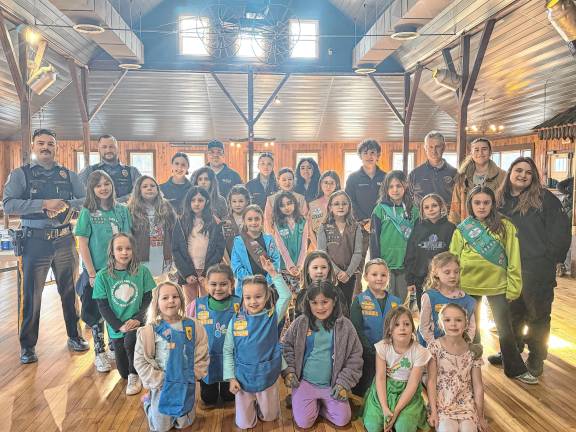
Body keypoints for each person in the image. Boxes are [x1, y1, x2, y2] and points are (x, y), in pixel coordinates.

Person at [3, 128, 89, 364]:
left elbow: (86, 200)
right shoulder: (20, 175)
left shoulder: (69, 175)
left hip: (64, 240)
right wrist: (43, 204)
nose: (45, 147)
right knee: (32, 296)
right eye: (40, 143)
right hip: (34, 242)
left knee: (70, 293)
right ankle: (28, 346)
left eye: (50, 144)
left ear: (56, 147)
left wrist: (63, 204)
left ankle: (75, 336)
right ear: (33, 147)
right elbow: (9, 204)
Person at [449, 186, 538, 384]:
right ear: (470, 205)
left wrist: (514, 286)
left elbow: (513, 258)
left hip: (498, 286)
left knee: (505, 329)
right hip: (468, 286)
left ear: (493, 204)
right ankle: (470, 366)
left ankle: (514, 368)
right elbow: (453, 258)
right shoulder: (462, 229)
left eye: (486, 202)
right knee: (471, 329)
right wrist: (453, 285)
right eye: (477, 202)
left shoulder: (506, 226)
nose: (481, 206)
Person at [496, 157, 570, 377]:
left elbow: (560, 232)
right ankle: (512, 352)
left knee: (537, 314)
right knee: (511, 313)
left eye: (528, 172)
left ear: (534, 177)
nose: (522, 175)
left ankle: (537, 356)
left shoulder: (545, 199)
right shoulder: (500, 199)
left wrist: (551, 259)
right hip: (507, 266)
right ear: (510, 173)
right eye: (518, 170)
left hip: (536, 266)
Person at [282, 281, 363, 429]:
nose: (320, 307)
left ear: (334, 301)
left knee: (343, 419)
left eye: (325, 302)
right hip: (304, 382)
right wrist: (290, 371)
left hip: (332, 385)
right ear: (309, 303)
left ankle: (318, 405)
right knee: (304, 423)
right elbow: (287, 347)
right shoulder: (300, 323)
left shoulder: (346, 326)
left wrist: (343, 383)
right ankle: (303, 400)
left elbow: (355, 357)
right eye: (315, 302)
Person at [223, 259, 291, 429]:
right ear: (242, 297)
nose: (253, 301)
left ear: (267, 296)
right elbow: (228, 350)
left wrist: (273, 273)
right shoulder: (235, 321)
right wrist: (231, 378)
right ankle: (249, 406)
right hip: (243, 378)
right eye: (248, 297)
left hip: (267, 376)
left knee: (270, 417)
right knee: (244, 424)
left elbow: (286, 296)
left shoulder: (272, 317)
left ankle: (264, 407)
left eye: (258, 296)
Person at [75, 170, 132, 372]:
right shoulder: (87, 212)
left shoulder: (122, 210)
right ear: (92, 189)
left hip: (118, 271)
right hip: (97, 272)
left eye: (106, 183)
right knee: (95, 313)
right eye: (98, 185)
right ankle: (99, 352)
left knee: (115, 309)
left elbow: (127, 238)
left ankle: (112, 348)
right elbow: (82, 242)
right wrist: (91, 273)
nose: (103, 188)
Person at [134, 281, 209, 432]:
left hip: (185, 382)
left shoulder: (193, 325)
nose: (171, 300)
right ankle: (149, 404)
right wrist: (158, 379)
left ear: (181, 300)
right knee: (161, 427)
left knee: (185, 422)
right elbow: (140, 360)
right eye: (165, 298)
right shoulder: (148, 331)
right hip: (162, 384)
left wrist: (194, 373)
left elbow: (203, 351)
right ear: (156, 303)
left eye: (175, 296)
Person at [93, 233, 155, 395]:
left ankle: (136, 374)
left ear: (133, 251)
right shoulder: (102, 276)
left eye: (128, 248)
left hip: (137, 323)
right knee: (122, 373)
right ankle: (132, 372)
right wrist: (119, 326)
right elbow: (103, 306)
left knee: (131, 341)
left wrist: (137, 319)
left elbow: (148, 299)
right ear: (112, 252)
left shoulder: (142, 271)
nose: (124, 252)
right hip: (117, 327)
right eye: (119, 249)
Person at [362, 306, 431, 432]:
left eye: (406, 324)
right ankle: (383, 412)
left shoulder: (420, 351)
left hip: (407, 393)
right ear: (389, 330)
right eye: (397, 324)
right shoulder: (382, 347)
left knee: (404, 427)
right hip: (384, 389)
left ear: (412, 328)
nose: (402, 328)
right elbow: (381, 378)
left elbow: (413, 384)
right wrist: (384, 407)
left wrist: (397, 410)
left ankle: (400, 418)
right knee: (373, 426)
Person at [186, 264, 241, 405]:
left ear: (232, 283)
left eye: (223, 284)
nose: (218, 288)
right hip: (206, 360)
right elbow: (187, 331)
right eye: (213, 284)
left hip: (231, 360)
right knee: (208, 399)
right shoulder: (196, 305)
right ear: (205, 284)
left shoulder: (239, 304)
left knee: (229, 397)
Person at [427, 304, 487, 432]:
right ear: (440, 323)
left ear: (466, 324)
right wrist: (433, 411)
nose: (453, 324)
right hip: (443, 405)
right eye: (447, 320)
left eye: (458, 320)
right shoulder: (434, 347)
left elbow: (478, 385)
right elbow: (431, 381)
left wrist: (481, 416)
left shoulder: (473, 351)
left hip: (466, 404)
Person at [350, 258, 401, 397]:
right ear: (366, 277)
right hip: (367, 355)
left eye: (383, 275)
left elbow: (402, 328)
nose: (379, 278)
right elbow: (356, 330)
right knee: (368, 391)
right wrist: (372, 351)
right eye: (374, 275)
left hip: (392, 354)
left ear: (388, 277)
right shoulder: (359, 300)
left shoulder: (397, 302)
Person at [370, 171, 419, 303]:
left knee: (401, 301)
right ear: (386, 188)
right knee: (385, 300)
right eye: (391, 186)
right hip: (385, 264)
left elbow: (416, 240)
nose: (395, 190)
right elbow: (374, 240)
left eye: (399, 186)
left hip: (405, 264)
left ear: (405, 186)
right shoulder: (379, 210)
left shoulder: (413, 210)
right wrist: (375, 264)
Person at [172, 186, 225, 304]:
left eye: (200, 200)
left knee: (207, 304)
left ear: (206, 202)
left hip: (207, 271)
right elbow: (176, 250)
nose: (196, 203)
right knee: (190, 305)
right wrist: (186, 274)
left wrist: (207, 273)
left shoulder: (214, 221)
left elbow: (219, 249)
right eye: (193, 200)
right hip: (188, 271)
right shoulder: (181, 221)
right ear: (188, 202)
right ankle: (192, 323)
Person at [404, 194, 456, 310]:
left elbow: (454, 256)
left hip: (443, 280)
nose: (431, 209)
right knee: (424, 312)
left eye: (434, 206)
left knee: (443, 313)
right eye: (426, 207)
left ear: (441, 207)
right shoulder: (418, 227)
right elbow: (410, 254)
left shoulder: (450, 228)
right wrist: (409, 280)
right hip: (421, 279)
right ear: (422, 210)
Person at [345, 139, 387, 278]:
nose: (369, 156)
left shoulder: (386, 177)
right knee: (357, 264)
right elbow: (350, 202)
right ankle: (357, 297)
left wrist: (375, 221)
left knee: (380, 263)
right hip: (360, 227)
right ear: (360, 156)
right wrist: (364, 221)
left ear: (378, 155)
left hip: (381, 226)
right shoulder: (353, 178)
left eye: (373, 152)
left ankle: (380, 295)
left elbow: (387, 201)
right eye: (365, 153)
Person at [417, 252, 476, 348]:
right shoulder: (429, 297)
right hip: (433, 348)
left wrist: (464, 344)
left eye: (456, 272)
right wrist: (436, 346)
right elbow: (424, 327)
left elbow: (471, 327)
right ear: (436, 273)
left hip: (459, 348)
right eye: (447, 272)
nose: (453, 276)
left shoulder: (467, 300)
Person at [317, 190, 363, 308]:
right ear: (330, 207)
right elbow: (322, 254)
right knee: (330, 305)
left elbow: (358, 252)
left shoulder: (356, 227)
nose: (341, 206)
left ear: (349, 206)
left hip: (349, 275)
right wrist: (337, 272)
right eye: (336, 204)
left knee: (346, 305)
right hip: (330, 275)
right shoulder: (324, 227)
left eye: (344, 203)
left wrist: (347, 273)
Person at [128, 176, 176, 280]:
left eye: (152, 186)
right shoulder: (131, 210)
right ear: (138, 190)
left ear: (158, 189)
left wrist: (173, 259)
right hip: (141, 260)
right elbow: (128, 236)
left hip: (163, 258)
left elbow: (175, 232)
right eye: (145, 186)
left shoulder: (166, 207)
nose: (149, 188)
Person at [449, 138, 505, 224]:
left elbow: (507, 203)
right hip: (468, 228)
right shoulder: (463, 177)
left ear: (490, 152)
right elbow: (456, 204)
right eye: (476, 150)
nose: (480, 153)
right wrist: (455, 225)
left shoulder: (502, 175)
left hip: (494, 227)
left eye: (484, 149)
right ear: (471, 153)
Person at [231, 204, 281, 297]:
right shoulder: (238, 241)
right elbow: (236, 267)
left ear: (262, 220)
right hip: (246, 288)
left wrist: (266, 282)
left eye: (257, 219)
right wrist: (251, 281)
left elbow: (276, 262)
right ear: (244, 221)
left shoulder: (269, 239)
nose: (253, 222)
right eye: (249, 219)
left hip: (268, 287)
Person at [271, 191, 313, 293]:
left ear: (295, 203)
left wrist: (299, 266)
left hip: (299, 267)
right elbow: (281, 248)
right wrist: (290, 267)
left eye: (289, 203)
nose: (286, 207)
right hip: (283, 267)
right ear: (278, 208)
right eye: (282, 205)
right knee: (284, 297)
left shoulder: (303, 221)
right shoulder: (277, 224)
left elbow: (304, 247)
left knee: (298, 296)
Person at [79, 134, 141, 202]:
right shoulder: (88, 171)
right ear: (99, 150)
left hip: (126, 211)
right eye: (104, 147)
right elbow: (81, 196)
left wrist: (116, 203)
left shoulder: (132, 171)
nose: (108, 150)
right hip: (97, 212)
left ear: (117, 148)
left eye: (111, 147)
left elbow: (140, 193)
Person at [408, 131, 457, 207]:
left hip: (446, 218)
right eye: (430, 147)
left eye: (437, 146)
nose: (434, 151)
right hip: (421, 218)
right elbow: (408, 200)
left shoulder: (454, 173)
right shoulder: (414, 174)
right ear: (425, 148)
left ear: (444, 147)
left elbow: (459, 201)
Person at [264, 167, 308, 233]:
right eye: (284, 180)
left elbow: (305, 218)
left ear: (294, 180)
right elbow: (267, 220)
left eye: (290, 179)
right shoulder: (271, 199)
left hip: (297, 234)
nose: (287, 182)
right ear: (278, 181)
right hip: (277, 235)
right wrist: (271, 237)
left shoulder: (300, 198)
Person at [222, 185, 250, 258]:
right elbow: (222, 247)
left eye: (241, 201)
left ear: (247, 201)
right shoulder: (225, 222)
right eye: (234, 201)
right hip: (230, 262)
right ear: (230, 202)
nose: (237, 204)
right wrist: (229, 264)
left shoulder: (253, 219)